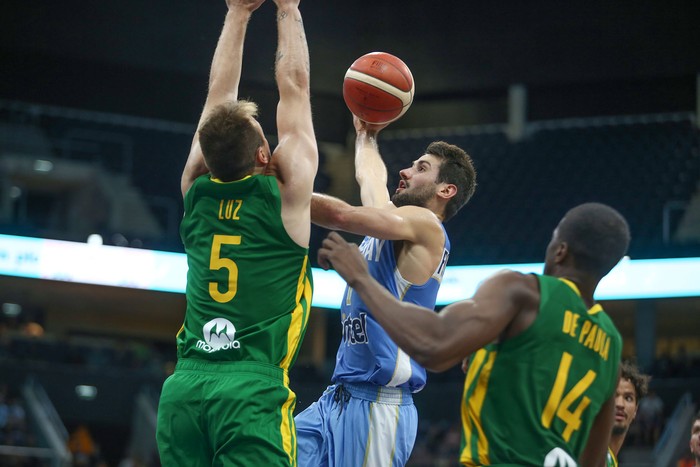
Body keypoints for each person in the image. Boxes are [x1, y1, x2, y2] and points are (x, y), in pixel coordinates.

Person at [317, 202, 630, 466]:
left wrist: (361, 278)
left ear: (560, 251)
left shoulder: (524, 291)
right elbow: (592, 459)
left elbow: (434, 346)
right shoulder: (611, 348)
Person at [155, 0, 318, 465]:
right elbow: (296, 89)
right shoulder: (286, 196)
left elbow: (217, 96)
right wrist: (288, 8)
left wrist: (237, 12)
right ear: (265, 154)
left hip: (184, 388)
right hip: (250, 389)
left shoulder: (195, 188)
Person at [294, 116, 477, 466]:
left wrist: (278, 187)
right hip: (337, 397)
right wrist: (366, 134)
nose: (405, 172)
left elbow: (345, 216)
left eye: (421, 167)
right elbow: (371, 178)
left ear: (445, 190)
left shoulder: (427, 226)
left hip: (380, 405)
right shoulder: (395, 221)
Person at [606, 361, 650, 467]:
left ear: (635, 410)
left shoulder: (610, 460)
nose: (620, 404)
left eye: (628, 398)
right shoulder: (589, 453)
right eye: (614, 396)